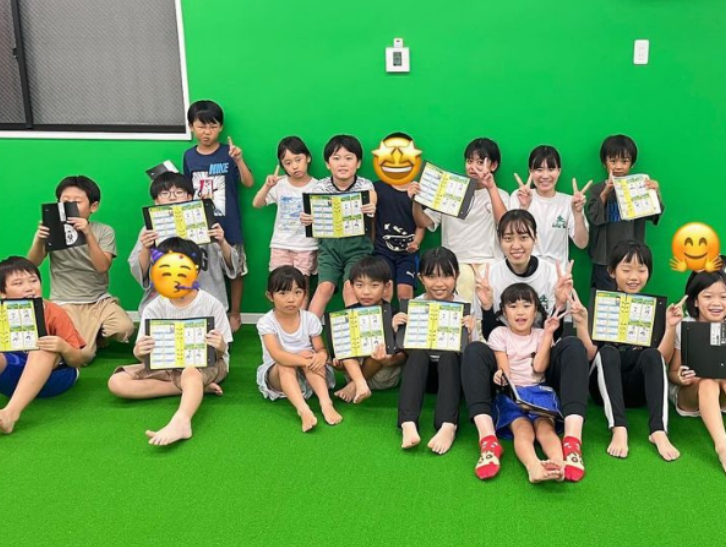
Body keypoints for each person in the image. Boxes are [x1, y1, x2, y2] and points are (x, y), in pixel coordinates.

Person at [461, 209, 589, 482]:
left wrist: (560, 303)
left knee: (573, 346)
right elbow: (493, 336)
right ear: (499, 241)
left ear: (535, 238)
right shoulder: (490, 274)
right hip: (506, 369)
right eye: (508, 238)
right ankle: (488, 441)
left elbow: (556, 333)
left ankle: (571, 443)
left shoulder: (551, 272)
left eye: (523, 237)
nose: (516, 245)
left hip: (542, 363)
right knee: (473, 351)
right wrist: (487, 306)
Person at [108, 238, 233, 446]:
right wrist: (140, 352)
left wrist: (220, 347)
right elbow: (143, 355)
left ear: (195, 271)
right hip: (167, 365)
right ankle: (195, 389)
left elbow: (221, 352)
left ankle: (181, 420)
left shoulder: (212, 304)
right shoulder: (154, 307)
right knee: (117, 382)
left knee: (190, 372)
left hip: (205, 365)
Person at [573, 240, 684, 461]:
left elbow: (662, 359)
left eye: (641, 270)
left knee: (652, 354)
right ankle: (619, 427)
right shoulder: (600, 306)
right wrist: (582, 325)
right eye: (626, 269)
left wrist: (671, 327)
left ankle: (658, 430)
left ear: (648, 273)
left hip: (637, 391)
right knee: (607, 352)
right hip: (603, 388)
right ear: (612, 271)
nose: (634, 277)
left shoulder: (655, 310)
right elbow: (590, 355)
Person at [27, 176, 134, 364]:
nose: (70, 206)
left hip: (99, 300)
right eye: (64, 201)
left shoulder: (104, 231)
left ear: (93, 207)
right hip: (66, 302)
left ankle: (96, 330)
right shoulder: (53, 230)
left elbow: (102, 266)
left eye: (76, 202)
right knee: (83, 356)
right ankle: (86, 333)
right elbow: (32, 265)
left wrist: (87, 233)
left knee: (124, 328)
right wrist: (39, 240)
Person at [394, 247, 477, 455]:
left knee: (449, 356)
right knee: (418, 355)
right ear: (421, 278)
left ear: (456, 275)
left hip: (453, 375)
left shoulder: (465, 307)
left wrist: (471, 332)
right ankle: (408, 422)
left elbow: (474, 354)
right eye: (431, 276)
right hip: (425, 376)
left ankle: (448, 425)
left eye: (446, 275)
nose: (439, 284)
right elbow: (403, 350)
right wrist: (396, 329)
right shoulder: (414, 306)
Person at [183, 100, 254, 332]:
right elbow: (187, 191)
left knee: (236, 270)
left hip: (229, 223)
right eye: (201, 126)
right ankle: (206, 313)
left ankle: (235, 313)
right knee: (203, 272)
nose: (207, 132)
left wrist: (239, 160)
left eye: (212, 126)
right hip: (199, 227)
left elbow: (249, 182)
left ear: (221, 127)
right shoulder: (189, 156)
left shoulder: (229, 153)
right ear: (191, 127)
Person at [411, 138, 508, 303]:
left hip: (489, 261)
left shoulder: (501, 195)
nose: (473, 167)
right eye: (469, 161)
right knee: (463, 285)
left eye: (480, 162)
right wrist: (416, 201)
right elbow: (423, 222)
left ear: (493, 165)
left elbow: (505, 225)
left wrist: (491, 187)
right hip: (455, 262)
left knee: (489, 299)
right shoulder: (449, 191)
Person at [128, 172, 238, 315]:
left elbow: (232, 265)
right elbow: (140, 272)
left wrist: (222, 242)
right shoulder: (149, 230)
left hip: (206, 297)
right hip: (164, 301)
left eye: (179, 192)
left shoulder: (206, 224)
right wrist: (145, 248)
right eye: (165, 193)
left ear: (190, 197)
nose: (172, 197)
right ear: (156, 201)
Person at [490, 283, 568, 482]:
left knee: (545, 428)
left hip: (539, 393)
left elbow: (540, 367)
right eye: (513, 306)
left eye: (526, 305)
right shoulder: (499, 334)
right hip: (513, 394)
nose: (520, 312)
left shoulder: (541, 334)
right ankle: (533, 466)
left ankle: (558, 464)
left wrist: (548, 333)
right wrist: (500, 376)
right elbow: (504, 369)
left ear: (536, 311)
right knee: (522, 429)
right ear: (504, 312)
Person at [0, 257, 85, 434]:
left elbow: (78, 360)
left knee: (43, 348)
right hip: (14, 378)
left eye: (33, 281)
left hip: (55, 377)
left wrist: (62, 347)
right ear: (3, 293)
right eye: (18, 283)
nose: (29, 287)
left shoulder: (55, 312)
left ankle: (10, 414)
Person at [256, 266, 341, 432]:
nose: (291, 299)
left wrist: (321, 356)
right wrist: (304, 360)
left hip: (309, 374)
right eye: (283, 293)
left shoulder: (310, 319)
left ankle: (326, 403)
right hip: (278, 375)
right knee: (287, 363)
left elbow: (320, 348)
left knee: (310, 355)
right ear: (270, 296)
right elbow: (277, 355)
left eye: (297, 292)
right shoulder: (266, 322)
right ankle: (303, 410)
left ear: (305, 294)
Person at [301, 135, 377, 318]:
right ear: (328, 164)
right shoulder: (320, 188)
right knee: (324, 287)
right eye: (336, 158)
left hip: (358, 247)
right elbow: (311, 214)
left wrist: (371, 206)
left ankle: (355, 330)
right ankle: (308, 331)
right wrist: (307, 218)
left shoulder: (365, 185)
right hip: (329, 247)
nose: (342, 163)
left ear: (358, 163)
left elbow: (372, 198)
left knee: (351, 287)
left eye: (349, 158)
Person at [586, 134, 664, 290]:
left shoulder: (639, 187)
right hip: (604, 259)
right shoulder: (597, 189)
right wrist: (605, 193)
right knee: (603, 299)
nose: (618, 166)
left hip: (631, 259)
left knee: (629, 297)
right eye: (613, 161)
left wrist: (655, 193)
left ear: (632, 164)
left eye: (624, 161)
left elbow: (654, 213)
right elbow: (593, 218)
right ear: (604, 163)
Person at [668, 271, 726, 472]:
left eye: (723, 297)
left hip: (722, 394)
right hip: (690, 395)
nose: (716, 303)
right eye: (708, 296)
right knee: (708, 382)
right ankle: (723, 447)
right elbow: (672, 372)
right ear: (695, 301)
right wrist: (681, 378)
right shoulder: (684, 326)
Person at [252, 136, 318, 306]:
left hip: (306, 245)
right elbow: (257, 204)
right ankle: (282, 319)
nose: (294, 166)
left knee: (302, 286)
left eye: (298, 160)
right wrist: (267, 186)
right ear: (282, 166)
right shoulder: (280, 185)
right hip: (281, 244)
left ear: (308, 158)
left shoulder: (318, 187)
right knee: (279, 285)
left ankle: (302, 320)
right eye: (288, 163)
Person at [333, 256, 407, 403]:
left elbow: (404, 356)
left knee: (380, 345)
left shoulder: (394, 315)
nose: (366, 292)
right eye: (359, 285)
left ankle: (355, 385)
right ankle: (359, 383)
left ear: (386, 287)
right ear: (351, 286)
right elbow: (340, 356)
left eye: (374, 285)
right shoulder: (349, 314)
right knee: (342, 347)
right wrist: (339, 362)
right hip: (354, 372)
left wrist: (388, 358)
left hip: (383, 376)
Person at [509, 145, 589, 266]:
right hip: (525, 270)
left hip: (557, 273)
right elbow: (510, 238)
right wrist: (524, 208)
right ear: (530, 171)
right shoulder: (519, 196)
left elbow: (582, 244)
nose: (545, 176)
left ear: (559, 171)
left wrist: (577, 214)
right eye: (539, 169)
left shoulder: (570, 202)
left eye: (551, 169)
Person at [371, 133, 425, 301]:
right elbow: (372, 221)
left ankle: (405, 319)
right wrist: (371, 244)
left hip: (407, 254)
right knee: (384, 292)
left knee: (405, 292)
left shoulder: (419, 190)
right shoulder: (377, 188)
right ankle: (385, 318)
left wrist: (416, 243)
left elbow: (421, 224)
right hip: (381, 252)